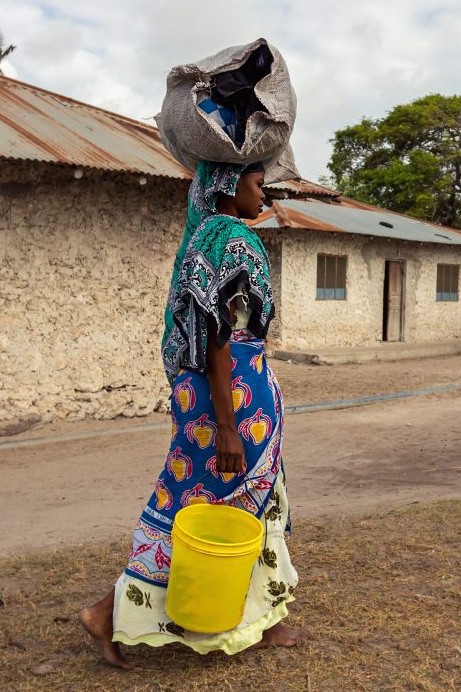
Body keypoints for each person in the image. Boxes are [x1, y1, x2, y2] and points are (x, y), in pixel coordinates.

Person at [79, 161, 307, 668]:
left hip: (224, 399)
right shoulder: (229, 237)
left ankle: (259, 620)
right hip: (226, 404)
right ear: (228, 186)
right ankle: (107, 612)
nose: (263, 193)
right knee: (201, 508)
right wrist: (227, 426)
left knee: (244, 506)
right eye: (254, 183)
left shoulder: (206, 235)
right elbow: (218, 336)